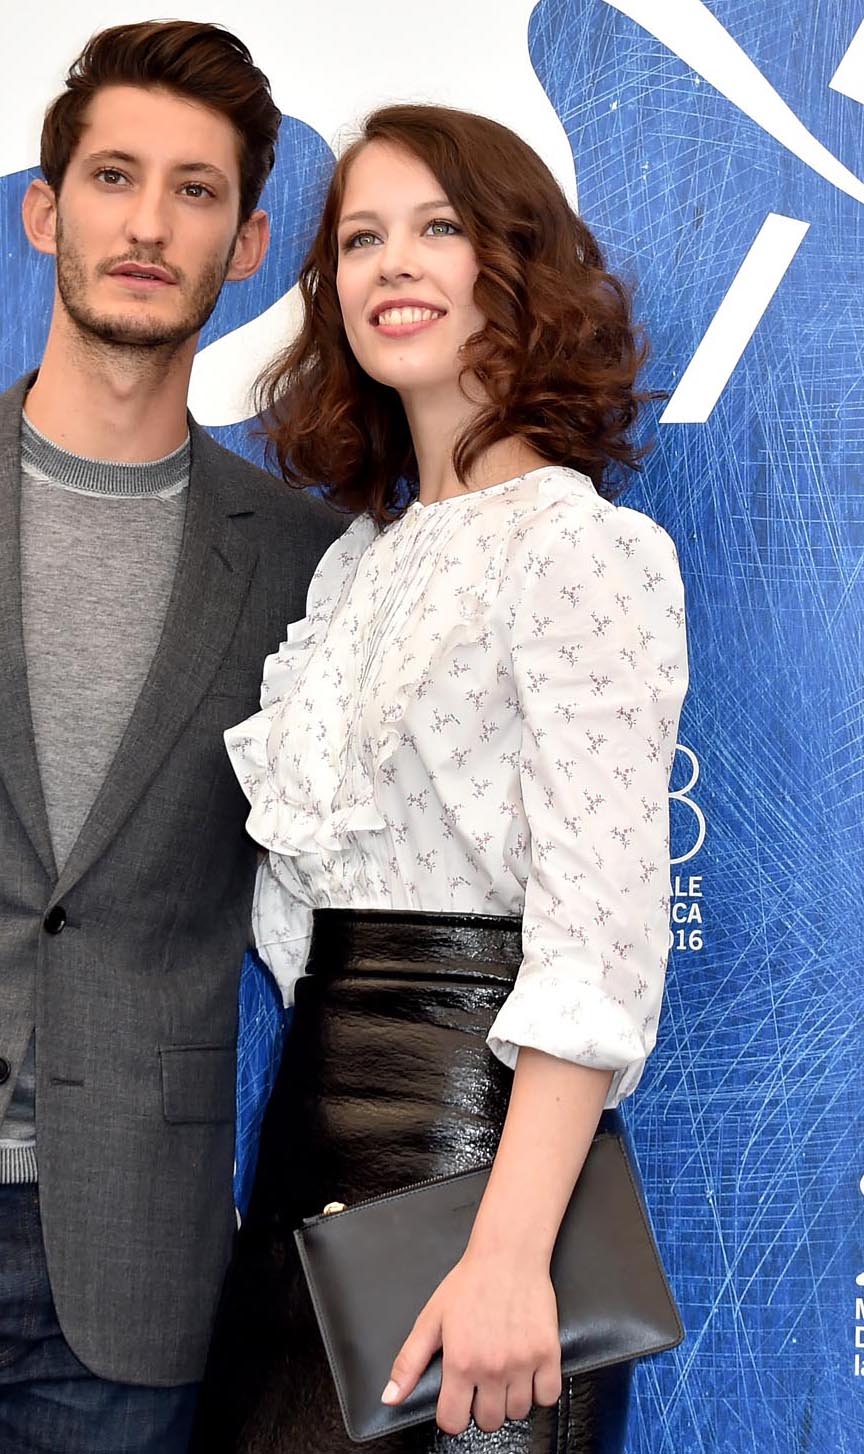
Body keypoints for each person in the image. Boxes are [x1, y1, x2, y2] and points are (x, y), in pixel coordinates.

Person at [203, 104, 688, 1453]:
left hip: (479, 1168)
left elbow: (596, 939)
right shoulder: (358, 570)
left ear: (514, 265)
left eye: (438, 228)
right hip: (310, 1168)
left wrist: (509, 1253)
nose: (392, 264)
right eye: (361, 238)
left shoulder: (578, 549)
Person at [0, 20, 341, 1454]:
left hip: (130, 1261)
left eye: (195, 190)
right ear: (43, 209)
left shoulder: (308, 562)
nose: (149, 223)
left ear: (249, 239)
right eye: (115, 176)